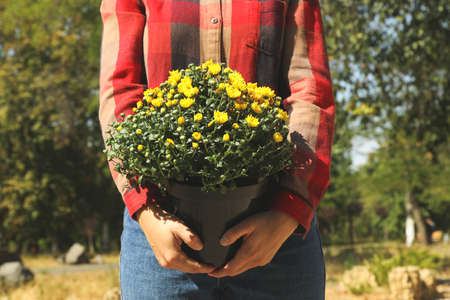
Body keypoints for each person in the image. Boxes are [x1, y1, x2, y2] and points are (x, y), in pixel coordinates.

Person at [99, 0, 335, 299]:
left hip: (277, 233)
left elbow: (310, 92)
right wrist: (146, 208)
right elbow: (120, 93)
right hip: (160, 229)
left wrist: (287, 210)